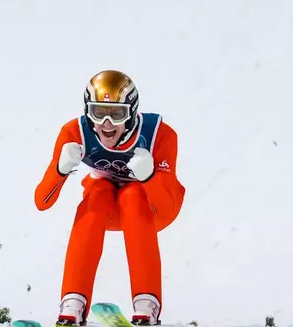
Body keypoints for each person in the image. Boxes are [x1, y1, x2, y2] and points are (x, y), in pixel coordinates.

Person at [34, 70, 185, 326]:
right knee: (98, 192)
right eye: (98, 112)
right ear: (87, 111)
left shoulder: (159, 134)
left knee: (133, 194)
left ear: (132, 113)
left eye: (117, 114)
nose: (106, 124)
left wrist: (149, 178)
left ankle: (146, 303)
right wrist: (59, 170)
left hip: (151, 207)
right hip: (106, 210)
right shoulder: (75, 132)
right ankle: (73, 302)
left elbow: (167, 206)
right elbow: (42, 201)